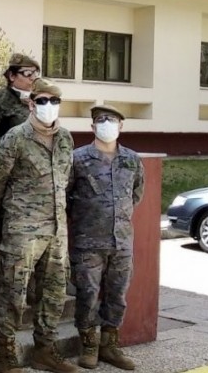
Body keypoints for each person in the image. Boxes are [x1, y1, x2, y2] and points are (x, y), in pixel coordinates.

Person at [0, 78, 78, 373]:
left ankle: (45, 350)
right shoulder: (15, 138)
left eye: (54, 102)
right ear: (30, 103)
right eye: (41, 101)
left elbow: (67, 180)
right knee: (13, 293)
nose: (48, 107)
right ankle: (7, 355)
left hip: (56, 230)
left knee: (53, 294)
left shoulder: (66, 138)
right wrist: (3, 222)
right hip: (22, 230)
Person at [68, 105, 143, 371]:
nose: (107, 124)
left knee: (117, 296)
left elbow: (136, 194)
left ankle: (109, 346)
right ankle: (88, 345)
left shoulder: (132, 159)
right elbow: (67, 196)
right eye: (101, 120)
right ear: (92, 127)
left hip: (121, 242)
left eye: (112, 120)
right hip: (88, 241)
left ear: (121, 125)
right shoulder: (77, 159)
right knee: (87, 295)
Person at [0, 53, 41, 141]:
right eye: (28, 73)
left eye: (35, 73)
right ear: (12, 76)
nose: (33, 78)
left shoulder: (41, 100)